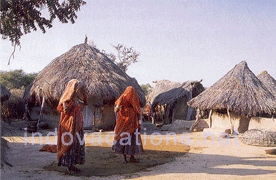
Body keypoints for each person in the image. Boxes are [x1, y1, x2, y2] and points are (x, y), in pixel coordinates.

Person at [56, 79, 88, 173]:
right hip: (69, 126)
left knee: (77, 145)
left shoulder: (77, 99)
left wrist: (81, 97)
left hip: (77, 125)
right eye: (78, 88)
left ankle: (73, 165)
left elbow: (84, 104)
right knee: (70, 144)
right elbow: (65, 111)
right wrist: (70, 102)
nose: (79, 90)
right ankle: (69, 167)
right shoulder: (66, 99)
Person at [112, 86, 143, 163]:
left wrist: (139, 123)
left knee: (131, 140)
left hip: (132, 124)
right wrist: (120, 104)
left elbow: (138, 112)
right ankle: (125, 158)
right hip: (124, 124)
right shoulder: (122, 99)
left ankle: (130, 158)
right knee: (126, 139)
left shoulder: (135, 101)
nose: (130, 94)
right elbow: (115, 110)